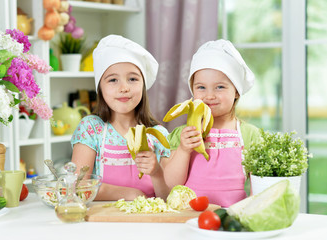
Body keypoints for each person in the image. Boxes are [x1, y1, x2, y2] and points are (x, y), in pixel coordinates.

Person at [71, 35, 170, 201]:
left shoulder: (158, 135)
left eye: (132, 79)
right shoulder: (91, 129)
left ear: (143, 85)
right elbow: (78, 187)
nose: (124, 88)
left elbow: (169, 197)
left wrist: (157, 173)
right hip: (102, 222)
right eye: (113, 80)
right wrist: (130, 194)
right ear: (100, 88)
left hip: (148, 223)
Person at [163, 39, 260, 207]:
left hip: (232, 217)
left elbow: (259, 188)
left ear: (236, 91)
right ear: (192, 90)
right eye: (201, 87)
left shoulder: (249, 135)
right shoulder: (183, 134)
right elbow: (171, 184)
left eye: (220, 87)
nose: (209, 96)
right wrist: (184, 150)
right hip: (189, 216)